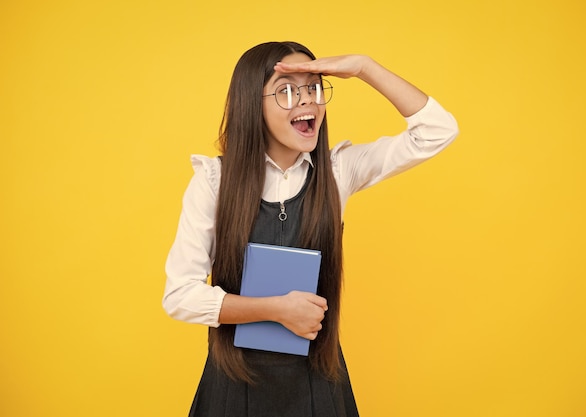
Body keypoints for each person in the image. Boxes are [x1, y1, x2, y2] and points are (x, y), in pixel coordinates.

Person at [163, 41, 459, 417]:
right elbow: (180, 296)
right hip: (233, 390)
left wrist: (365, 67)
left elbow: (437, 130)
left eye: (314, 88)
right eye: (287, 91)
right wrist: (275, 309)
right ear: (252, 104)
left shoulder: (338, 172)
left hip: (317, 388)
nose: (306, 101)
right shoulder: (214, 182)